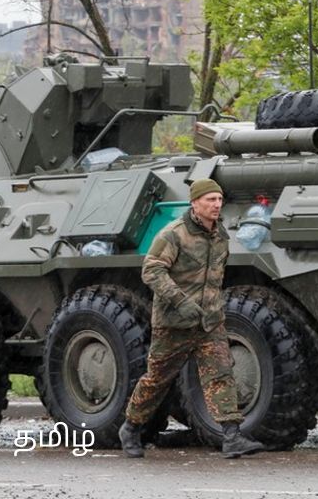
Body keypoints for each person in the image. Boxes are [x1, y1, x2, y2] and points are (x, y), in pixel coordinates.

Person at [119, 178, 265, 459]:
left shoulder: (220, 235)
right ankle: (131, 428)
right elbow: (152, 270)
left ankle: (232, 436)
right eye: (210, 200)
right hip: (173, 324)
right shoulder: (174, 234)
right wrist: (180, 301)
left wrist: (212, 309)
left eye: (219, 200)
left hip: (209, 322)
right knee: (157, 380)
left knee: (221, 374)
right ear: (195, 203)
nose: (216, 205)